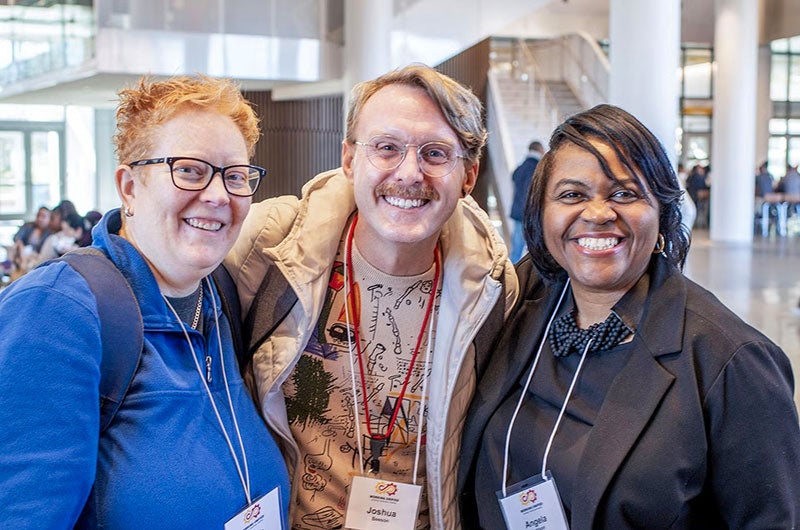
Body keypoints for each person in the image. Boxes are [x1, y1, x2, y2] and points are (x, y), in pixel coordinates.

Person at [459, 104, 800, 528]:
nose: (598, 213)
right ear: (541, 214)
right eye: (572, 195)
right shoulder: (520, 302)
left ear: (662, 211)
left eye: (624, 193)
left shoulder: (731, 361)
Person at [225, 64, 518, 530]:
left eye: (436, 153)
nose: (409, 173)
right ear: (349, 158)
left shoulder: (492, 289)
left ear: (469, 176)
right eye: (386, 147)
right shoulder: (269, 245)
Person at [0, 74, 290, 527]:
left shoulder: (221, 299)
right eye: (190, 170)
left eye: (235, 176)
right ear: (129, 187)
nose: (217, 196)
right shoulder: (59, 310)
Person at [509, 141, 545, 262]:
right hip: (528, 215)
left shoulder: (520, 167)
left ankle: (509, 277)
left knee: (516, 250)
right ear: (539, 149)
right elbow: (529, 194)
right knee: (534, 250)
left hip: (518, 213)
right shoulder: (535, 169)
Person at [11, 205, 51, 272]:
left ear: (49, 218)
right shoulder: (28, 226)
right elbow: (17, 237)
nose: (40, 219)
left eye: (43, 216)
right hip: (23, 254)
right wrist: (22, 252)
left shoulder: (49, 232)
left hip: (38, 257)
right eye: (38, 215)